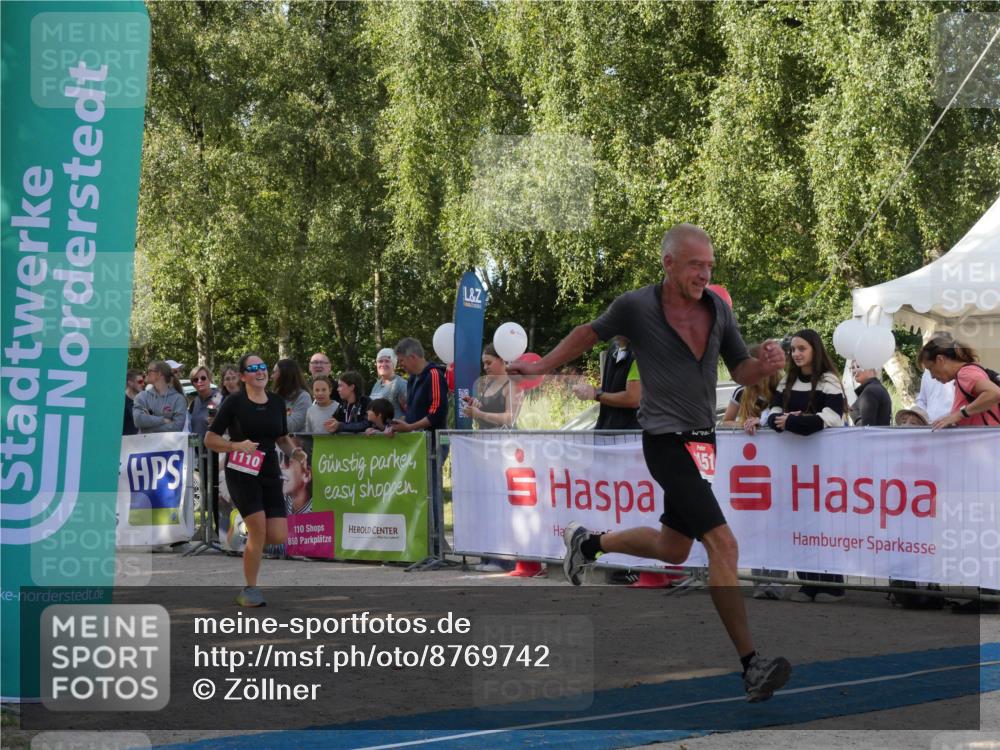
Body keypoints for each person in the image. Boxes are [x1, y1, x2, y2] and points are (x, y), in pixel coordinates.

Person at [508, 223, 790, 703]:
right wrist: (541, 366)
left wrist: (765, 366)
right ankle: (752, 666)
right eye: (695, 265)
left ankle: (587, 543)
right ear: (669, 264)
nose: (704, 274)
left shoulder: (718, 308)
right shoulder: (636, 306)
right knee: (724, 545)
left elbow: (740, 368)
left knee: (674, 548)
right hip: (664, 441)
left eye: (709, 266)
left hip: (704, 443)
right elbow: (585, 332)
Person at [205, 353, 308, 607]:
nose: (260, 371)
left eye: (263, 367)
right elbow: (210, 439)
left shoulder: (275, 402)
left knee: (277, 536)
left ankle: (248, 534)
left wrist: (294, 451)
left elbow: (281, 437)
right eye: (253, 369)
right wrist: (236, 445)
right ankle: (250, 590)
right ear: (243, 377)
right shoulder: (234, 403)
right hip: (241, 472)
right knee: (259, 529)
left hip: (270, 472)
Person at [767, 329, 848, 603]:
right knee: (797, 522)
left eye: (802, 348)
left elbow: (832, 418)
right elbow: (773, 416)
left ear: (814, 349)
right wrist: (789, 421)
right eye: (793, 349)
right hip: (791, 466)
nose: (796, 354)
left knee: (822, 524)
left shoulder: (828, 381)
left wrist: (792, 422)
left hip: (823, 464)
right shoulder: (786, 382)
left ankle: (833, 584)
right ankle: (808, 583)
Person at [719, 344, 787, 599]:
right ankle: (760, 581)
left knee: (776, 525)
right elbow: (725, 421)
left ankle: (776, 583)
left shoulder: (783, 390)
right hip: (750, 466)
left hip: (778, 465)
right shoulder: (741, 392)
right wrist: (742, 424)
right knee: (758, 524)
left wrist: (765, 423)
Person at [919, 332, 1000, 429]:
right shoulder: (966, 373)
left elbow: (994, 393)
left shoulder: (964, 373)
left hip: (986, 442)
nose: (932, 376)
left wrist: (958, 415)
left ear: (940, 360)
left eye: (930, 369)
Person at [570, 336, 641, 430]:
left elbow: (633, 399)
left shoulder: (640, 354)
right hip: (608, 430)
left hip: (631, 435)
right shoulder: (614, 349)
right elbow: (611, 390)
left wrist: (595, 394)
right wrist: (588, 392)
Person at [464, 344, 521, 429]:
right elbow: (491, 410)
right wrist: (476, 405)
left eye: (488, 363)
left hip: (504, 440)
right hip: (485, 438)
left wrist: (480, 414)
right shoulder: (488, 383)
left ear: (502, 360)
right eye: (484, 364)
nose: (485, 367)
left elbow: (510, 418)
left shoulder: (512, 384)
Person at [133, 361, 187, 433]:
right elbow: (138, 420)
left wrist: (148, 424)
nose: (145, 374)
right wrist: (163, 420)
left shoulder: (179, 399)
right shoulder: (141, 396)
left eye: (149, 371)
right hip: (145, 443)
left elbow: (177, 427)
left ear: (159, 374)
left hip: (169, 444)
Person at [272, 358, 312, 434]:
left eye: (274, 372)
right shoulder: (275, 396)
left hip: (296, 444)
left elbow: (291, 426)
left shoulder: (303, 397)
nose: (272, 376)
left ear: (284, 374)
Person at [370, 348, 408, 419]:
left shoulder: (401, 384)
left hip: (395, 429)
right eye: (380, 361)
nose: (383, 364)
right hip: (379, 429)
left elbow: (411, 413)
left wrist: (395, 427)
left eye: (387, 361)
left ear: (394, 364)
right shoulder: (377, 384)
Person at [282, 434, 313, 515]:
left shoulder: (319, 512)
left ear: (306, 474)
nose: (281, 466)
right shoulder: (280, 500)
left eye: (287, 460)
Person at [123, 369, 143, 436]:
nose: (143, 384)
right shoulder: (121, 402)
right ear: (130, 383)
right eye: (140, 382)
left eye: (143, 381)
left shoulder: (142, 400)